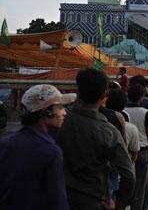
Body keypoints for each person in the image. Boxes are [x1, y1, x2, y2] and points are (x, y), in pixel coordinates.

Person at [52, 68, 135, 210]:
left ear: (78, 91)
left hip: (57, 196)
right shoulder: (108, 131)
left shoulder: (56, 123)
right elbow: (128, 175)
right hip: (93, 199)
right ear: (105, 95)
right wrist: (120, 203)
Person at [0, 84, 75, 210]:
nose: (64, 112)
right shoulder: (51, 152)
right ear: (46, 112)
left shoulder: (4, 143)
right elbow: (58, 202)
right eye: (60, 107)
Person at [124, 83, 148, 210]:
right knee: (141, 184)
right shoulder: (146, 113)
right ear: (141, 97)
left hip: (127, 151)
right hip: (143, 149)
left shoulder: (123, 112)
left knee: (127, 182)